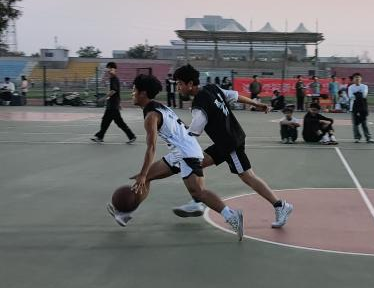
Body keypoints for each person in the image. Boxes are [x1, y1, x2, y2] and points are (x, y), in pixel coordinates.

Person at [106, 74, 244, 239]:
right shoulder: (160, 107)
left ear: (143, 93)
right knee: (146, 177)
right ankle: (124, 214)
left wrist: (143, 173)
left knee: (198, 193)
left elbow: (151, 148)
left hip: (186, 153)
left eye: (134, 90)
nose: (132, 93)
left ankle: (232, 216)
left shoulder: (151, 116)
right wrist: (144, 174)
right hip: (181, 152)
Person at [172, 65, 293, 228]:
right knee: (198, 163)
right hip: (228, 140)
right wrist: (256, 104)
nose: (178, 88)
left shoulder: (199, 104)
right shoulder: (212, 88)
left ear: (190, 84)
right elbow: (234, 96)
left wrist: (176, 135)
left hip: (230, 144)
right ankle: (197, 200)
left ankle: (280, 205)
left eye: (180, 84)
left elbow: (194, 131)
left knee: (247, 176)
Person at [91, 62, 136, 144]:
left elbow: (113, 91)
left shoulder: (114, 79)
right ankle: (100, 137)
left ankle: (131, 136)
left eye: (110, 68)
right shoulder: (112, 79)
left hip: (113, 105)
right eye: (108, 68)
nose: (108, 70)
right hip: (111, 104)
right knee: (106, 121)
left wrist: (103, 98)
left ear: (114, 69)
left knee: (118, 122)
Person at [348, 73, 374, 143]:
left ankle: (368, 137)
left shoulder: (364, 86)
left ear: (361, 78)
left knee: (364, 123)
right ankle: (357, 137)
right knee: (355, 124)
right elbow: (351, 96)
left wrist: (356, 94)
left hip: (363, 107)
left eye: (358, 77)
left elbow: (364, 95)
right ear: (353, 79)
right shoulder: (350, 87)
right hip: (354, 108)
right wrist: (359, 94)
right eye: (355, 77)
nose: (357, 79)